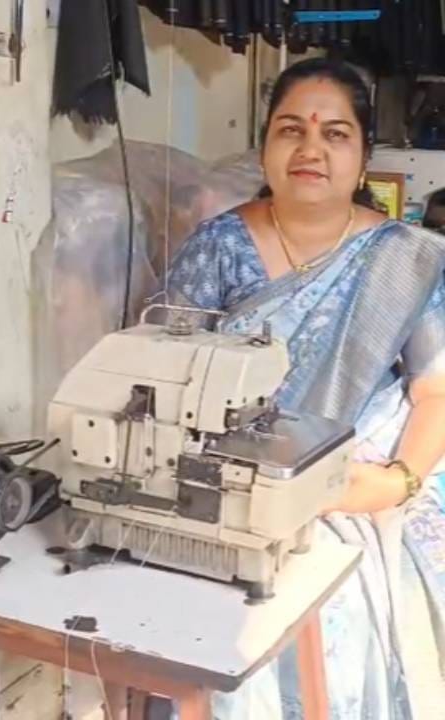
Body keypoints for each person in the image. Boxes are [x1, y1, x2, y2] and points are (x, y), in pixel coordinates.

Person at [165, 57, 445, 719]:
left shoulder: (405, 256)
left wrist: (395, 481)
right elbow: (166, 381)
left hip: (362, 469)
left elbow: (436, 391)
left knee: (357, 580)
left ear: (364, 154)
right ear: (264, 146)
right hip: (236, 476)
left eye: (335, 133)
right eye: (291, 130)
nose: (311, 149)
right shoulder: (218, 248)